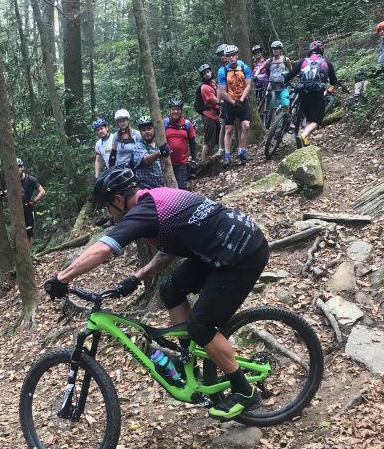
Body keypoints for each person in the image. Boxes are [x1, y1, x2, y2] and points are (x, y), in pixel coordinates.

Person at [45, 167, 269, 413]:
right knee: (171, 290)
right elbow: (168, 251)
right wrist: (137, 277)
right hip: (222, 249)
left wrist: (61, 278)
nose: (108, 214)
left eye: (107, 207)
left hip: (243, 254)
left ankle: (245, 392)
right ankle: (188, 361)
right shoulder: (154, 201)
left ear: (118, 199)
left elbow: (103, 249)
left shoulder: (144, 211)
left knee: (200, 326)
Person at [284, 40, 338, 148]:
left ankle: (306, 141)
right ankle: (304, 135)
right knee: (316, 120)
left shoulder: (303, 61)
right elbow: (333, 82)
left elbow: (289, 76)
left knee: (309, 117)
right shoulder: (326, 63)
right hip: (317, 94)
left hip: (303, 94)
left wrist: (285, 80)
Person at [217, 44, 252, 166]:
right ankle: (227, 156)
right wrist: (233, 102)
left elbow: (248, 85)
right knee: (229, 129)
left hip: (242, 100)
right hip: (229, 103)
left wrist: (241, 100)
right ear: (226, 57)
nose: (231, 57)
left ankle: (243, 152)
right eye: (229, 56)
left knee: (246, 125)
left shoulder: (244, 67)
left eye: (233, 55)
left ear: (237, 55)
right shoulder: (222, 71)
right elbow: (223, 91)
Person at [0, 158, 46, 244]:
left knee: (29, 235)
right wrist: (3, 193)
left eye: (18, 167)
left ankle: (28, 252)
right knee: (18, 234)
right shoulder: (13, 181)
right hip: (17, 211)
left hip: (28, 210)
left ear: (22, 167)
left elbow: (42, 191)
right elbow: (12, 191)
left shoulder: (30, 179)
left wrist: (34, 201)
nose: (17, 170)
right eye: (15, 168)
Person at [163, 98, 197, 189]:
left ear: (181, 111)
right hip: (166, 162)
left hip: (182, 163)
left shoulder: (187, 124)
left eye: (178, 109)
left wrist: (194, 160)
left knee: (181, 187)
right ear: (170, 110)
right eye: (173, 109)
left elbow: (192, 143)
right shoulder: (164, 123)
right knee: (168, 188)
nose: (175, 111)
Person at [258, 41, 292, 125]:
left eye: (277, 48)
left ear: (280, 49)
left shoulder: (285, 59)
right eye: (273, 49)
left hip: (283, 86)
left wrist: (288, 78)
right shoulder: (270, 60)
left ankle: (286, 122)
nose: (275, 50)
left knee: (286, 105)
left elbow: (291, 71)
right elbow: (260, 69)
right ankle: (274, 125)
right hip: (272, 86)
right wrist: (256, 76)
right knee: (272, 107)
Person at [130, 117, 168, 189]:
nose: (147, 132)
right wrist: (160, 152)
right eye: (143, 130)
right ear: (140, 132)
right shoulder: (138, 146)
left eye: (149, 128)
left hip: (163, 187)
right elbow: (146, 160)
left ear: (154, 129)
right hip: (146, 188)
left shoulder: (160, 143)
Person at [197, 64, 221, 163]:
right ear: (202, 76)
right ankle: (203, 161)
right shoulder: (204, 88)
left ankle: (208, 160)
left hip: (216, 116)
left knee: (215, 140)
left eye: (208, 72)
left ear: (211, 71)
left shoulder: (213, 83)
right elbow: (215, 101)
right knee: (209, 141)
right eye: (204, 73)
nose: (207, 74)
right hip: (209, 116)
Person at [215, 44, 229, 157]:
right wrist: (218, 101)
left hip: (237, 98)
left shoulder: (237, 65)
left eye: (224, 53)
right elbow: (219, 87)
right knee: (223, 125)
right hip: (226, 100)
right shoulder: (221, 70)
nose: (223, 56)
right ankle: (221, 148)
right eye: (221, 54)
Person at [251, 45, 269, 123]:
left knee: (264, 103)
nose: (257, 54)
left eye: (258, 52)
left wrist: (259, 77)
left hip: (265, 85)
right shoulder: (253, 64)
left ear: (261, 52)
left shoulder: (266, 62)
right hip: (255, 86)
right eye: (255, 53)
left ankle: (266, 121)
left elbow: (268, 74)